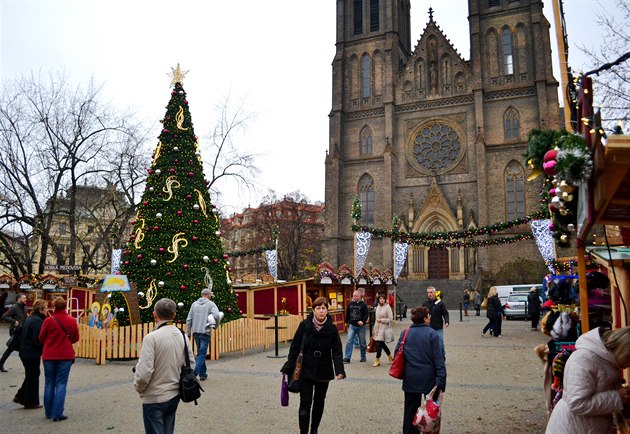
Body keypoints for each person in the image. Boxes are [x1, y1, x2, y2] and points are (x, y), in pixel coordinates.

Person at [545, 326, 630, 434]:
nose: (627, 366)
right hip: (573, 427)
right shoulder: (583, 360)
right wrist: (618, 396)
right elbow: (578, 403)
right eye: (628, 361)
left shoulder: (605, 359)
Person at [281, 297, 345, 434]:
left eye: (323, 308)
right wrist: (288, 366)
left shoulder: (332, 329)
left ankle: (314, 429)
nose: (321, 311)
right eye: (318, 308)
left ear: (327, 311)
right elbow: (295, 347)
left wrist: (339, 370)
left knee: (319, 402)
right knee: (305, 402)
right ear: (313, 310)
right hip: (306, 369)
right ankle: (303, 431)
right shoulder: (304, 325)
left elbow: (337, 351)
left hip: (324, 370)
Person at [135, 298, 195, 434]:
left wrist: (139, 388)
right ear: (174, 315)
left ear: (154, 314)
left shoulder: (151, 338)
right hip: (174, 394)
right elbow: (191, 364)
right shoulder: (182, 335)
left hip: (154, 396)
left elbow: (144, 372)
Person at [395, 306, 446, 434]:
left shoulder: (405, 333)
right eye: (428, 316)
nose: (429, 318)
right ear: (424, 319)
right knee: (431, 412)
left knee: (410, 411)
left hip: (411, 377)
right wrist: (441, 381)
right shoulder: (432, 334)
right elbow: (439, 360)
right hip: (429, 378)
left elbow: (397, 353)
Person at [39, 296, 80, 421]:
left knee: (49, 383)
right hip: (65, 355)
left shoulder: (48, 321)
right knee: (61, 383)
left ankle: (49, 412)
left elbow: (41, 337)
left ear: (54, 307)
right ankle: (58, 413)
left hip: (49, 355)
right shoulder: (72, 320)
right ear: (65, 307)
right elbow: (75, 338)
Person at [15, 299, 47, 409]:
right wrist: (44, 348)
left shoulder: (31, 318)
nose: (47, 311)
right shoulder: (37, 321)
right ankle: (31, 402)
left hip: (25, 351)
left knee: (31, 375)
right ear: (41, 310)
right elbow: (37, 339)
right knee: (33, 376)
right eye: (46, 308)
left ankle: (21, 396)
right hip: (31, 353)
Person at [185, 288, 221, 381]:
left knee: (201, 353)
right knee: (202, 354)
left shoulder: (194, 304)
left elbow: (189, 319)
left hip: (196, 331)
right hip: (205, 332)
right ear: (208, 295)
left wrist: (188, 332)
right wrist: (215, 325)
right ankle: (194, 374)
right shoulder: (210, 304)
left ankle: (203, 374)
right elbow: (216, 315)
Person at [0, 293, 27, 372]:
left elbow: (25, 318)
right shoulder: (14, 308)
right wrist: (14, 321)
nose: (26, 299)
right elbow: (3, 316)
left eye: (25, 298)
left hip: (23, 330)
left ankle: (0, 363)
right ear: (18, 299)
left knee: (12, 349)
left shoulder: (25, 308)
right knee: (17, 348)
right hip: (15, 331)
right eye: (24, 298)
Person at [422, 286, 449, 359]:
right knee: (428, 343)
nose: (429, 294)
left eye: (431, 292)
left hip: (438, 327)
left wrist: (447, 321)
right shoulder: (425, 303)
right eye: (428, 292)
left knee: (439, 342)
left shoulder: (440, 303)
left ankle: (442, 355)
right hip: (428, 327)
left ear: (435, 293)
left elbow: (445, 313)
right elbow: (422, 314)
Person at [343, 289, 369, 363]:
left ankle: (363, 356)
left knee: (362, 342)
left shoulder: (363, 304)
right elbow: (348, 313)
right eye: (353, 295)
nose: (354, 297)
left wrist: (362, 321)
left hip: (361, 327)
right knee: (349, 341)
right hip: (352, 325)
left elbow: (366, 315)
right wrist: (346, 322)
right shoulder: (350, 304)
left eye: (356, 296)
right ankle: (347, 358)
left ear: (360, 296)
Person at [371, 294, 393, 367]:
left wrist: (382, 320)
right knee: (381, 344)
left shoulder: (387, 307)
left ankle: (377, 359)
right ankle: (390, 356)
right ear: (378, 300)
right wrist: (374, 329)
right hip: (377, 327)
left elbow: (390, 319)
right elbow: (376, 319)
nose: (382, 300)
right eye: (380, 299)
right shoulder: (377, 307)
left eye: (383, 298)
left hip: (384, 327)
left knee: (379, 343)